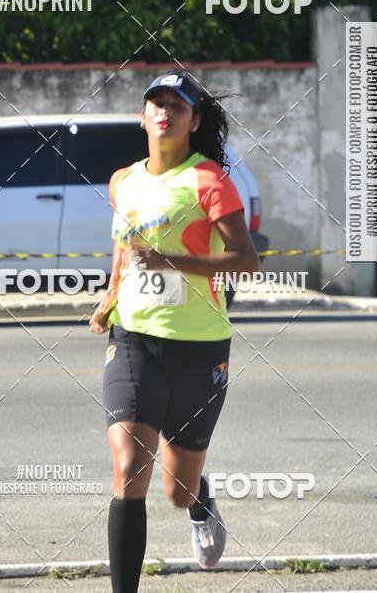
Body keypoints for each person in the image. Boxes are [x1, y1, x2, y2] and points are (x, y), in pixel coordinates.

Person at [89, 72, 260, 593]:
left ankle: (200, 503)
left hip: (198, 347)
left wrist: (171, 261)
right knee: (128, 470)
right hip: (133, 339)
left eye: (177, 105)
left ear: (194, 119)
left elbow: (246, 261)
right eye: (156, 103)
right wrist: (109, 299)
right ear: (143, 116)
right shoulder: (122, 181)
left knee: (177, 490)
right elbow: (124, 251)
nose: (165, 111)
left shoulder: (209, 181)